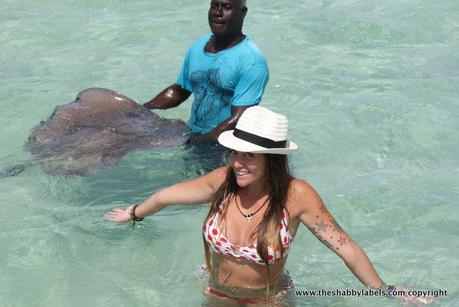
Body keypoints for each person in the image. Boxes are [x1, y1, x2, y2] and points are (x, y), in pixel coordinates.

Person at [105, 106, 433, 305]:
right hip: (215, 295)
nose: (237, 162)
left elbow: (344, 247)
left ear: (272, 159)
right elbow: (165, 196)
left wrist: (387, 292)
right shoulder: (221, 181)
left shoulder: (297, 195)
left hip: (268, 300)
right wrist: (133, 214)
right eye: (235, 152)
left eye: (249, 155)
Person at [143, 0, 269, 144]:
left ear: (243, 12)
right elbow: (180, 91)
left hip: (225, 145)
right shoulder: (198, 46)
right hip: (193, 134)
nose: (217, 13)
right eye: (214, 6)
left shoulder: (251, 61)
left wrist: (196, 143)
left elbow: (240, 117)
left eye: (227, 7)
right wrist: (142, 109)